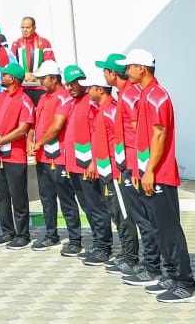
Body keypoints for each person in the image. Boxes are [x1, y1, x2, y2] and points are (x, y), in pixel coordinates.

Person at [125, 49, 195, 303]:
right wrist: (138, 170)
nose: (127, 72)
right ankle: (171, 276)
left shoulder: (157, 96)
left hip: (161, 175)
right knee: (158, 229)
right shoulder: (146, 94)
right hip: (149, 174)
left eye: (130, 67)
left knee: (170, 231)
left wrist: (149, 171)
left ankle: (186, 284)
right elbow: (143, 139)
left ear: (142, 69)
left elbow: (159, 136)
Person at [95, 53, 151, 278]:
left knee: (134, 216)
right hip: (124, 165)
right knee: (127, 213)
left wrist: (136, 168)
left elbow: (139, 134)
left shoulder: (129, 96)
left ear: (111, 73)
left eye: (104, 72)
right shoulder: (124, 95)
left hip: (132, 167)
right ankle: (134, 257)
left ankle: (140, 261)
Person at [29, 61, 83, 254]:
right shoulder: (44, 98)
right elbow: (36, 124)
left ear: (54, 78)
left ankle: (75, 240)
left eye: (44, 78)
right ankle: (51, 234)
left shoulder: (64, 97)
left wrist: (39, 143)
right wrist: (31, 141)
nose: (41, 81)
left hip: (58, 157)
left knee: (66, 199)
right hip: (43, 156)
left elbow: (57, 126)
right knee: (46, 198)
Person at [0, 62, 33, 249]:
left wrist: (1, 140)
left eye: (3, 75)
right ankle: (7, 231)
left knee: (18, 196)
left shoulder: (24, 100)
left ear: (12, 78)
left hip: (15, 156)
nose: (0, 77)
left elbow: (23, 129)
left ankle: (22, 234)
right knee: (0, 195)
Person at [74, 73, 115, 268]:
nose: (88, 90)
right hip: (83, 162)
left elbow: (99, 138)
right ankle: (99, 243)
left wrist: (93, 162)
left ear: (100, 89)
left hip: (96, 165)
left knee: (98, 207)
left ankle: (103, 246)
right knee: (89, 206)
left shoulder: (103, 108)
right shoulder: (95, 107)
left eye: (91, 88)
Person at [10, 16, 54, 84]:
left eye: (27, 27)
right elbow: (12, 64)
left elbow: (49, 63)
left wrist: (35, 75)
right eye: (22, 27)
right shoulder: (16, 43)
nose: (24, 30)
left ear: (34, 28)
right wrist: (24, 74)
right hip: (22, 85)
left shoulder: (44, 42)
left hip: (40, 85)